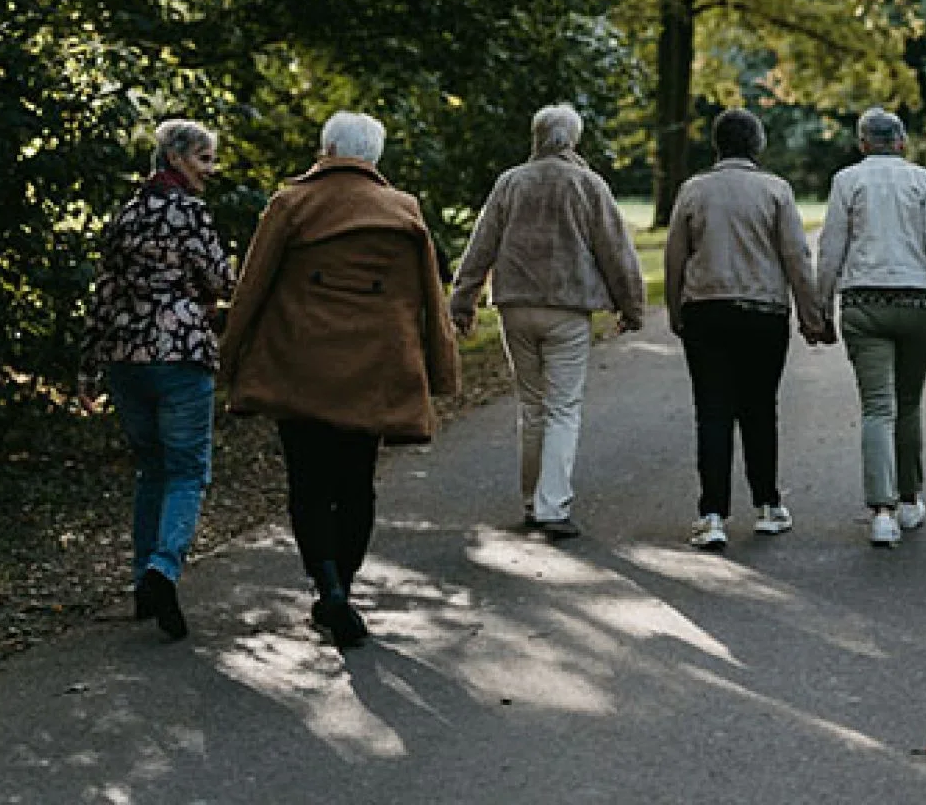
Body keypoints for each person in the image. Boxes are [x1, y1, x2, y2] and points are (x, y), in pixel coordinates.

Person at [216, 110, 459, 648]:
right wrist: (439, 370)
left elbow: (252, 287)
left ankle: (327, 586)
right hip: (372, 370)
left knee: (307, 483)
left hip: (298, 366)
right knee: (356, 484)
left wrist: (229, 358)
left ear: (326, 148)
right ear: (373, 157)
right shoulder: (404, 211)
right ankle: (342, 589)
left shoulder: (290, 204)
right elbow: (429, 298)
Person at [449, 102, 645, 541]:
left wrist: (462, 301)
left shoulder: (511, 183)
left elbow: (481, 244)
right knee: (562, 407)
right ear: (572, 140)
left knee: (532, 405)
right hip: (567, 306)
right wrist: (630, 308)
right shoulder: (588, 184)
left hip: (516, 304)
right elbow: (616, 250)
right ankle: (551, 506)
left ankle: (531, 498)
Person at [79, 117, 232, 640]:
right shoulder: (189, 213)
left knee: (151, 468)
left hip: (124, 357)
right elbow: (221, 278)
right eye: (204, 159)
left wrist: (86, 365)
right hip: (179, 354)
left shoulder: (124, 215)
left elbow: (105, 292)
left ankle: (141, 579)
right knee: (188, 471)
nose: (210, 171)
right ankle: (162, 569)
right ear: (175, 159)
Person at [665, 108, 826, 551]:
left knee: (712, 412)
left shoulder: (693, 190)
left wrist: (676, 311)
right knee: (759, 409)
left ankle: (712, 514)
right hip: (763, 313)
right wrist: (812, 317)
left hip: (706, 310)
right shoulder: (776, 190)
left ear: (717, 145)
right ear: (757, 145)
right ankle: (768, 506)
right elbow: (796, 257)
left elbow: (675, 257)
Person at [816, 106, 926, 548]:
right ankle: (909, 502)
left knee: (877, 408)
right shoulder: (923, 181)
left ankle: (882, 513)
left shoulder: (846, 181)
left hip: (865, 305)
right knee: (908, 404)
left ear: (863, 143)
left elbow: (831, 248)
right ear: (902, 142)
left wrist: (819, 308)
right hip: (920, 304)